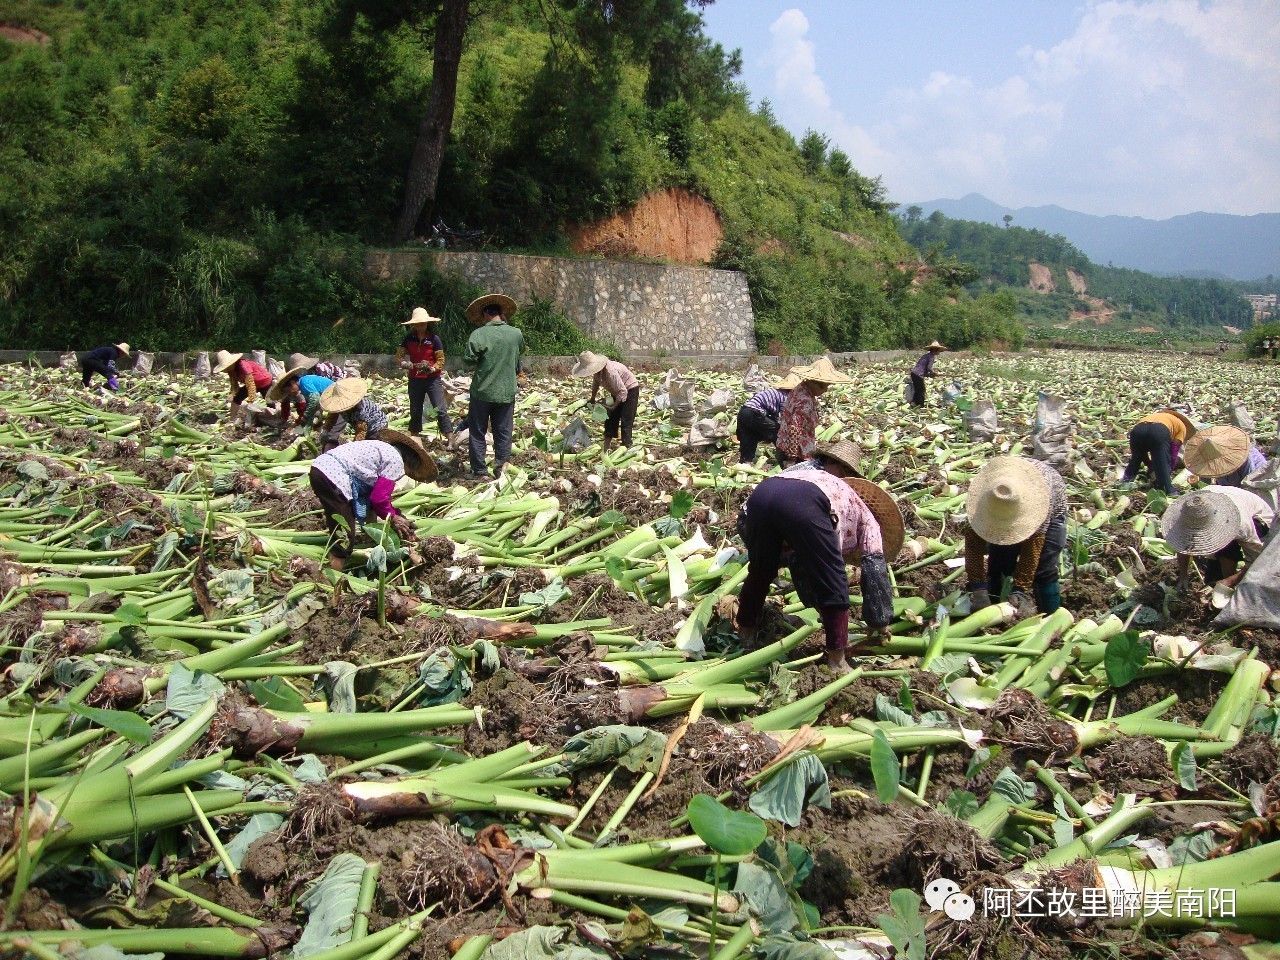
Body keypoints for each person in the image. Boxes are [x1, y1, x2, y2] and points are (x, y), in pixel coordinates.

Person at [734, 441, 902, 673]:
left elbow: (802, 560)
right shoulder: (869, 519)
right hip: (805, 503)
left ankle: (746, 632)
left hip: (763, 493)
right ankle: (836, 660)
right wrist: (879, 620)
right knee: (834, 579)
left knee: (762, 570)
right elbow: (875, 572)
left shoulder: (811, 473)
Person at [308, 431, 435, 567]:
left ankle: (337, 560)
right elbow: (378, 499)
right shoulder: (396, 461)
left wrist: (397, 515)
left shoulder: (382, 449)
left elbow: (372, 500)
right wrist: (393, 518)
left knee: (339, 522)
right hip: (333, 475)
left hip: (320, 468)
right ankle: (333, 576)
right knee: (344, 535)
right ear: (411, 463)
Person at [964, 455, 1068, 617]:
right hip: (1007, 498)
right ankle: (993, 608)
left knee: (1044, 567)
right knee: (1000, 561)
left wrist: (1021, 589)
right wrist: (978, 588)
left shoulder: (1039, 503)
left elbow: (1032, 550)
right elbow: (973, 547)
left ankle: (1051, 616)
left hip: (1052, 504)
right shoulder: (982, 501)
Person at [1161, 486, 1274, 590]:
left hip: (1261, 519)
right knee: (1211, 580)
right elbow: (1183, 543)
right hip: (1221, 507)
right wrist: (1183, 575)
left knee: (1227, 546)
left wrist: (1230, 581)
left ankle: (1230, 587)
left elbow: (1258, 559)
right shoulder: (1192, 506)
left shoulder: (1241, 524)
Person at [463, 293, 524, 480]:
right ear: (501, 314)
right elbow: (518, 354)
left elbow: (468, 361)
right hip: (506, 392)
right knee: (503, 431)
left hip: (482, 392)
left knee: (478, 431)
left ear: (485, 315)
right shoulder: (516, 334)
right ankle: (501, 467)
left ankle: (480, 471)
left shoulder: (479, 334)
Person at [775, 358, 851, 465]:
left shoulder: (799, 388)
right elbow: (794, 428)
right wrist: (791, 457)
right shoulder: (805, 401)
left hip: (783, 446)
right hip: (796, 453)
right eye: (824, 387)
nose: (825, 391)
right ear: (815, 384)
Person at [396, 307, 454, 438]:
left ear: (427, 324)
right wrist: (404, 363)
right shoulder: (409, 339)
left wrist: (433, 368)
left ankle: (450, 437)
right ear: (414, 325)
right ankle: (414, 435)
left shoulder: (434, 339)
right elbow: (399, 356)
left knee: (440, 408)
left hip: (432, 379)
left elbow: (440, 359)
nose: (421, 326)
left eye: (423, 323)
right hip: (415, 379)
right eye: (418, 324)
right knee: (415, 409)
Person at [571, 351, 640, 451]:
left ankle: (626, 445)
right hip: (617, 392)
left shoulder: (610, 372)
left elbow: (623, 391)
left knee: (626, 419)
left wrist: (614, 406)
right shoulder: (597, 373)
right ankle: (606, 445)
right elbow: (596, 384)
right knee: (610, 417)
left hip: (630, 389)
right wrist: (592, 398)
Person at [1121, 408, 1196, 495]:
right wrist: (1169, 469)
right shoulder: (1182, 426)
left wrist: (1150, 465)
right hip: (1159, 430)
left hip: (1138, 430)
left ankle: (1125, 480)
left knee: (1136, 457)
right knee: (1162, 460)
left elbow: (1143, 455)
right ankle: (1168, 489)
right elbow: (1173, 451)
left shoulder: (1154, 416)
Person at [735, 371, 800, 463]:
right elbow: (784, 417)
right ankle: (785, 460)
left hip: (744, 412)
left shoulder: (775, 392)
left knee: (749, 436)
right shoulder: (786, 396)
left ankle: (745, 461)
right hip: (754, 413)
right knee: (778, 432)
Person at [1182, 424, 1269, 488]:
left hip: (1257, 482)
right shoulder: (1207, 456)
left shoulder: (1244, 457)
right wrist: (1197, 483)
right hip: (1230, 481)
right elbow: (1206, 478)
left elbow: (1250, 483)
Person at [266, 354, 333, 429]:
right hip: (327, 397)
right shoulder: (302, 386)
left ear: (292, 383)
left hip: (334, 394)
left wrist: (305, 417)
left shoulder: (304, 382)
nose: (290, 393)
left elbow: (315, 400)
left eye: (289, 390)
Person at [318, 378, 389, 447]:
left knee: (370, 446)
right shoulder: (338, 406)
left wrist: (354, 447)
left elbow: (361, 433)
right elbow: (332, 416)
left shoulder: (360, 411)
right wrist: (325, 430)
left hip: (377, 427)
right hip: (362, 426)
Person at [212, 350, 275, 421]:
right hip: (253, 384)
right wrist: (232, 394)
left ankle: (273, 418)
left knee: (269, 402)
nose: (227, 368)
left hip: (264, 381)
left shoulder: (243, 365)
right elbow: (234, 384)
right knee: (237, 398)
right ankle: (232, 418)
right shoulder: (231, 371)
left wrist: (251, 400)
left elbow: (250, 383)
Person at [908, 341, 947, 407]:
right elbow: (929, 368)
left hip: (914, 373)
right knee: (922, 390)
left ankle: (914, 403)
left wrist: (930, 375)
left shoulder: (926, 355)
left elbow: (924, 369)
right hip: (918, 374)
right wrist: (933, 373)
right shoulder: (931, 357)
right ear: (935, 350)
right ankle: (920, 405)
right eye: (938, 351)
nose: (939, 352)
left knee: (918, 389)